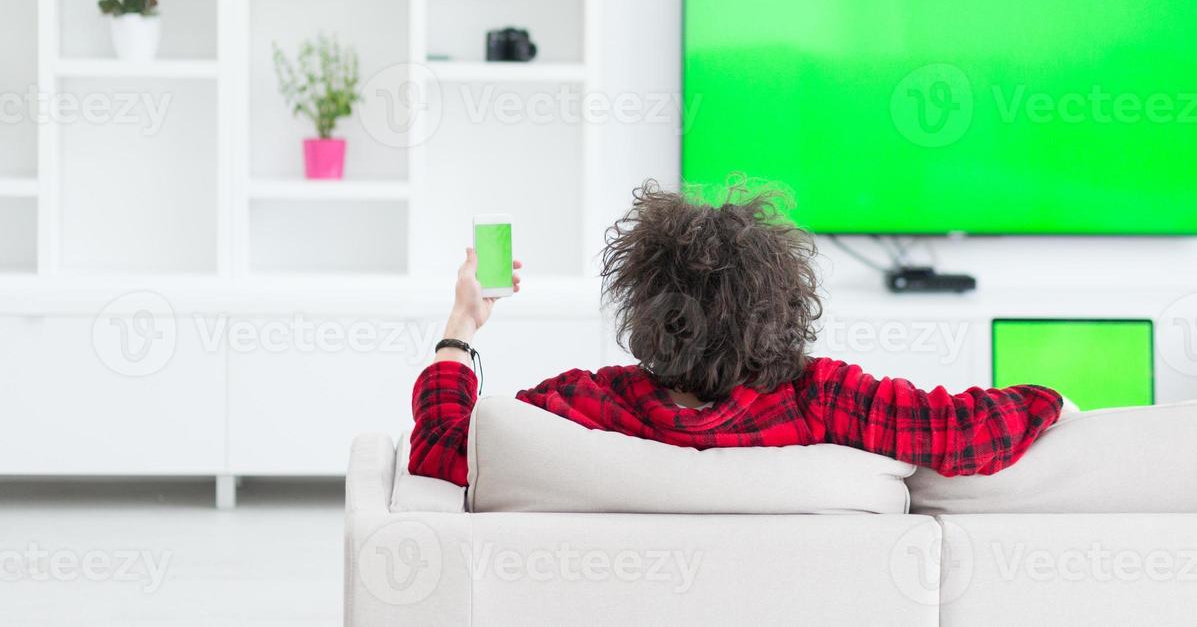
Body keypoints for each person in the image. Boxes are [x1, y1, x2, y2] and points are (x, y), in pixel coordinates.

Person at [410, 182, 1062, 486]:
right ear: (783, 304)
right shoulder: (826, 399)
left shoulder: (584, 406)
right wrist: (1055, 403)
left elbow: (440, 451)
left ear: (644, 305)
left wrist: (461, 325)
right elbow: (967, 432)